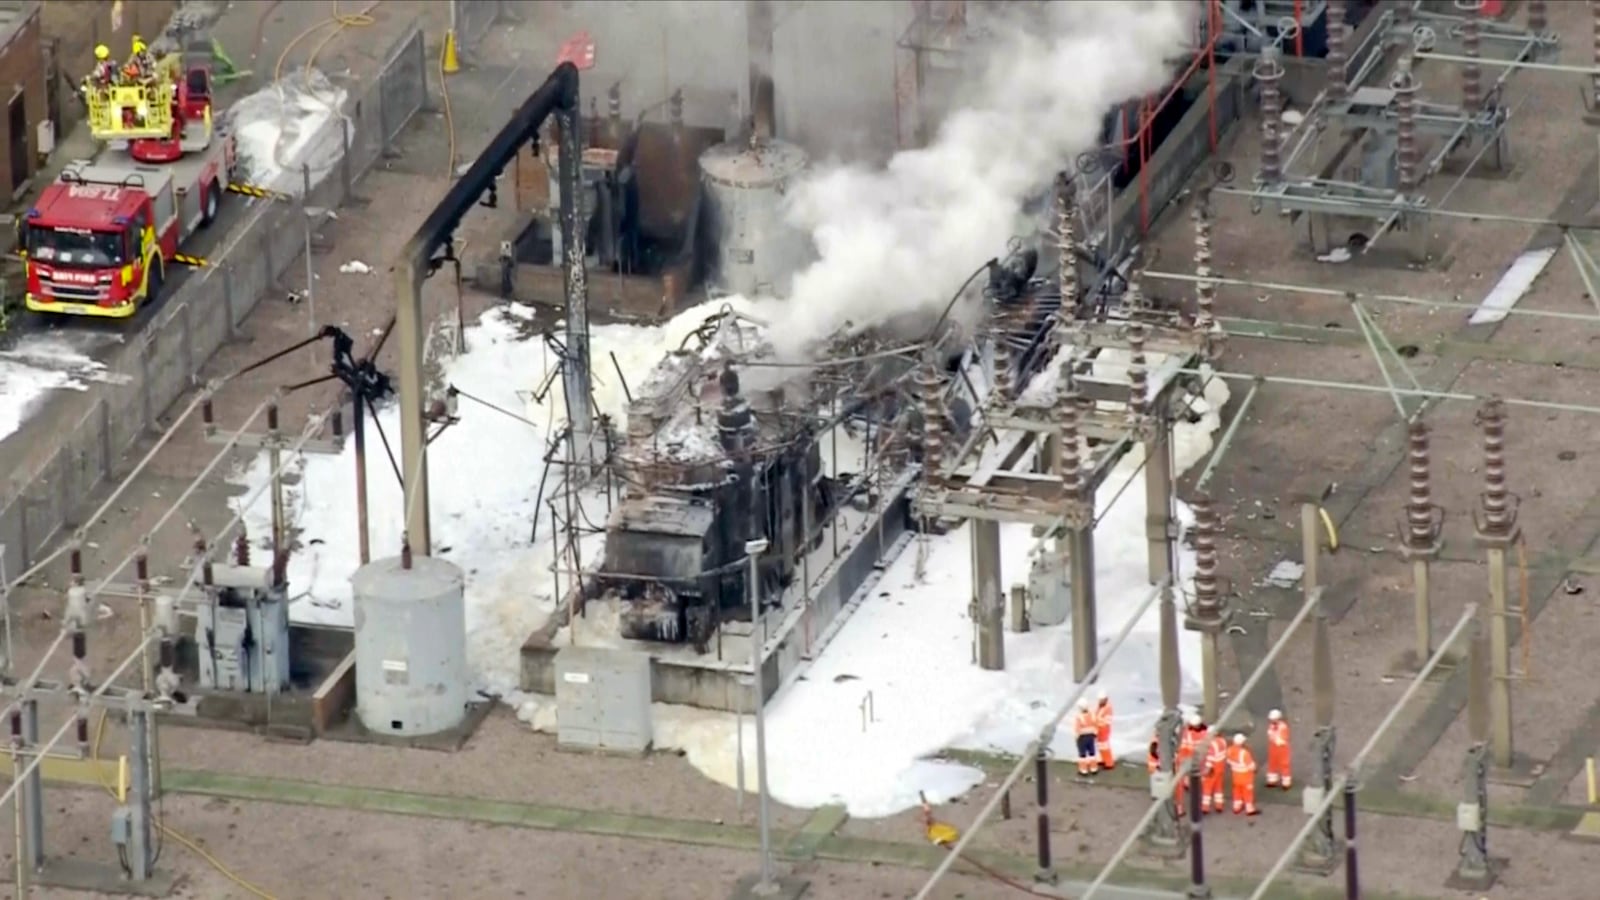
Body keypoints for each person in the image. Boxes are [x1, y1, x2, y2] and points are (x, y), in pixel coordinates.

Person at [1228, 734, 1259, 815]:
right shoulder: (1244, 753)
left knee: (1237, 791)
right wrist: (1255, 769)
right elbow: (1251, 766)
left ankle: (1237, 807)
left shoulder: (1229, 750)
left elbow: (1228, 761)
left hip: (1235, 775)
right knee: (1248, 792)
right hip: (1245, 776)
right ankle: (1249, 809)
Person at [1201, 725, 1228, 814]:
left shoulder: (1211, 744)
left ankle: (1205, 807)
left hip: (1213, 768)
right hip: (1221, 767)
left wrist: (1207, 769)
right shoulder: (1223, 741)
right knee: (1218, 787)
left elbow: (1210, 757)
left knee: (1207, 788)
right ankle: (1219, 805)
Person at [1266, 709, 1293, 790]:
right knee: (1272, 763)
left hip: (1282, 748)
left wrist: (1274, 737)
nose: (1272, 721)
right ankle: (1272, 780)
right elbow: (1270, 735)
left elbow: (1282, 739)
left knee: (1284, 764)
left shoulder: (1283, 727)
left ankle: (1286, 783)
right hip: (1273, 747)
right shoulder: (1272, 726)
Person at [1072, 698, 1100, 776]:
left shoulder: (1079, 717)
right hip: (1091, 737)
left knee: (1082, 755)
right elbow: (1096, 725)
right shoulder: (1092, 715)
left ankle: (1083, 770)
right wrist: (1095, 734)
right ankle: (1094, 768)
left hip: (1082, 738)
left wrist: (1076, 737)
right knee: (1092, 753)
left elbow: (1077, 729)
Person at [1095, 689, 1116, 771]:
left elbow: (1107, 721)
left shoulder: (1108, 708)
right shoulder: (1100, 706)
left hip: (1104, 730)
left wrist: (1098, 722)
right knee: (1101, 746)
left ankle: (1109, 763)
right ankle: (1103, 760)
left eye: (1101, 700)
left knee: (1105, 747)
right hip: (1099, 729)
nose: (1100, 701)